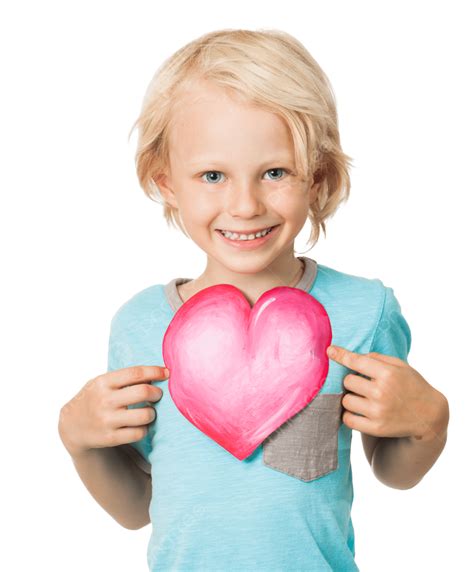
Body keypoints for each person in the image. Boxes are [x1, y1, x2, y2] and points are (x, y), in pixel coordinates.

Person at [58, 28, 450, 571]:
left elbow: (394, 471)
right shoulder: (140, 325)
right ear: (165, 180)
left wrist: (430, 423)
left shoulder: (365, 312)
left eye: (275, 172)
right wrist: (79, 442)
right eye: (212, 175)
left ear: (317, 177)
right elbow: (136, 509)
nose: (244, 205)